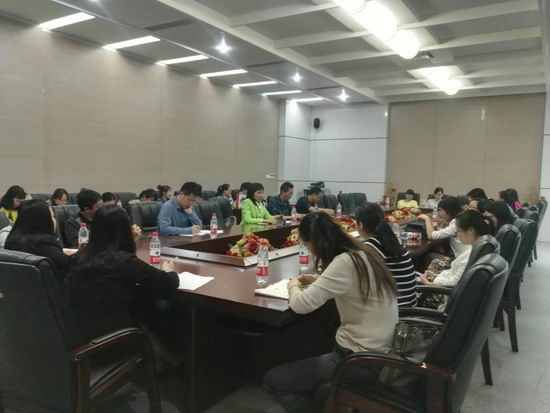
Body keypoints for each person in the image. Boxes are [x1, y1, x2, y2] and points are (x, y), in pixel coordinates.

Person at [263, 212, 397, 413]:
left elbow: (301, 304)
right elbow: (351, 283)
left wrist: (292, 284)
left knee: (273, 381)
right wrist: (320, 280)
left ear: (315, 243)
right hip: (381, 351)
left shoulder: (344, 262)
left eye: (307, 246)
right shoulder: (362, 253)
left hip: (359, 360)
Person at [69, 205, 180, 344]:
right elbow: (169, 282)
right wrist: (169, 270)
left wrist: (126, 243)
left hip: (83, 334)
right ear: (124, 229)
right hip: (116, 338)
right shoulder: (124, 261)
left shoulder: (80, 255)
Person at [355, 203, 417, 307]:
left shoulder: (371, 246)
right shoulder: (393, 238)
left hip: (396, 311)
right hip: (410, 305)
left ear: (360, 225)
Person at [419, 209, 493, 287]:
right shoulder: (478, 247)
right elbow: (455, 275)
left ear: (470, 230)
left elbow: (457, 283)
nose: (457, 234)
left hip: (440, 290)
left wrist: (429, 284)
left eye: (458, 231)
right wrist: (435, 275)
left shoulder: (472, 254)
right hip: (441, 282)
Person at [4, 199, 71, 280]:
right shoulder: (44, 245)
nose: (54, 220)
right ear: (44, 221)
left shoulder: (12, 240)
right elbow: (70, 267)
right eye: (52, 216)